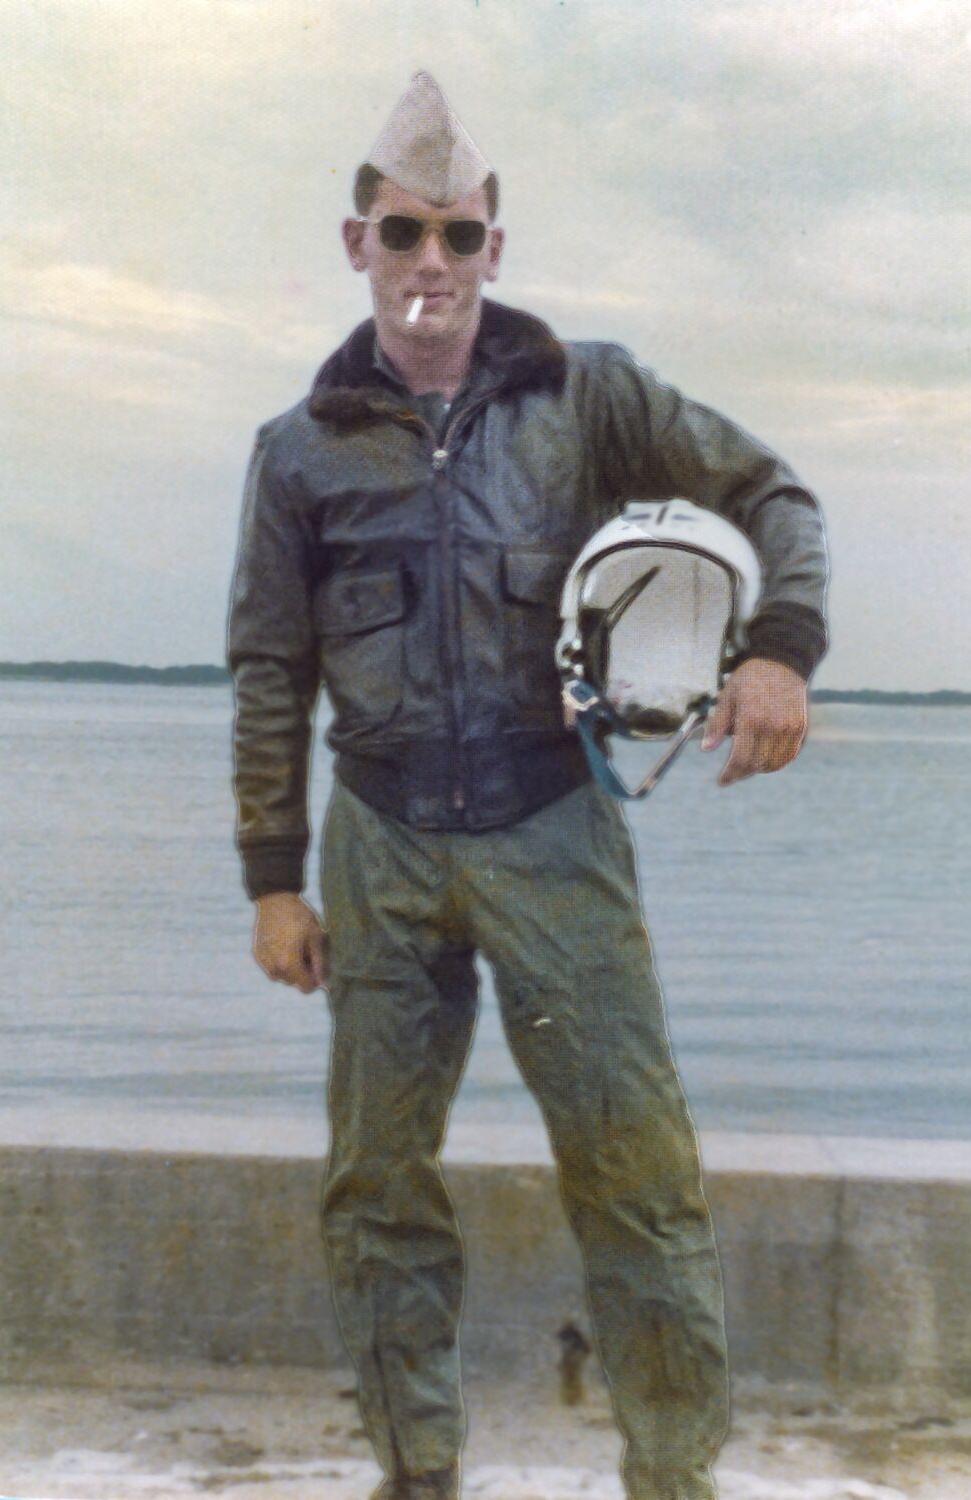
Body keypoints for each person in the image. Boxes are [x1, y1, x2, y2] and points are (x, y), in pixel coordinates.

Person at [227, 71, 828, 1500]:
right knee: (376, 1191)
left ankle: (673, 1478)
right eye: (401, 232)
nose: (429, 261)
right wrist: (272, 884)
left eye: (457, 234)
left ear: (495, 247)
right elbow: (268, 672)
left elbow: (774, 497)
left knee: (637, 1176)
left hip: (554, 829)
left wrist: (780, 653)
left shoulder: (591, 396)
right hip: (378, 845)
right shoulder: (296, 454)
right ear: (357, 244)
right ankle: (415, 1474)